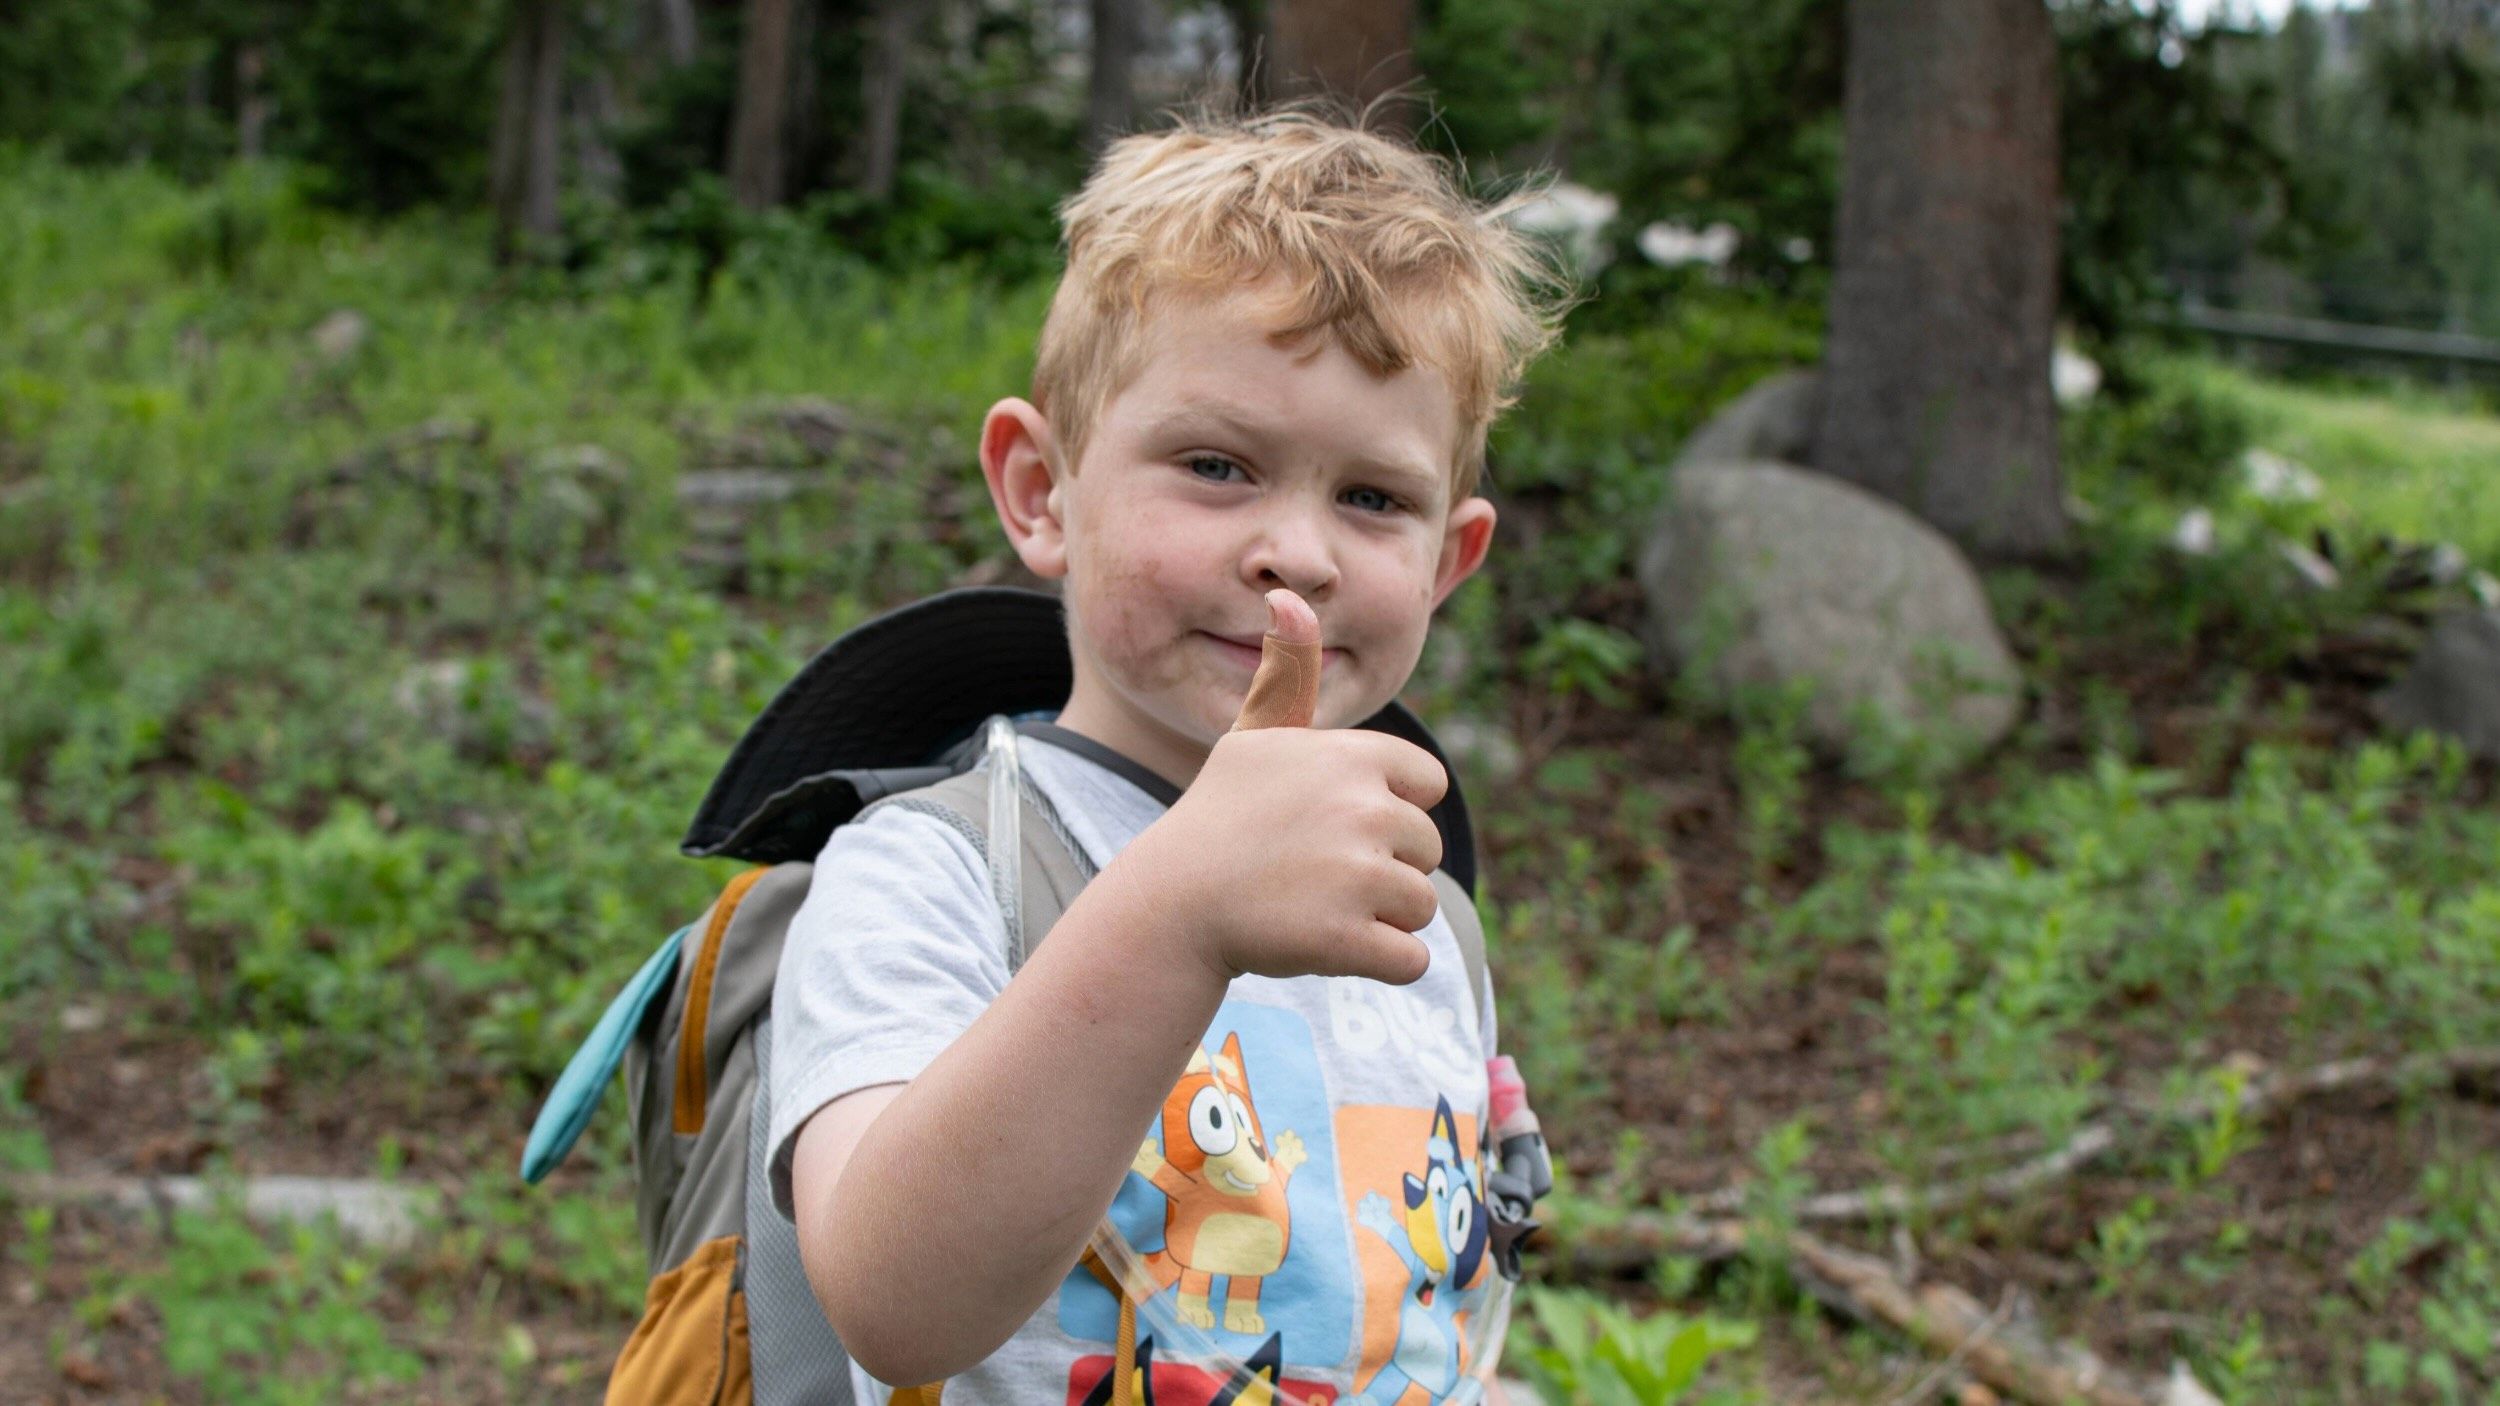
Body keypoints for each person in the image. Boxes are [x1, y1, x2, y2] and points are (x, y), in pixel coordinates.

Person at [765, 109, 1568, 1404]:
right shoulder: (933, 872)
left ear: (1446, 560)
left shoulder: (1425, 917)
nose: (1296, 553)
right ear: (1042, 490)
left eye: (1373, 498)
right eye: (1216, 466)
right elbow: (894, 1308)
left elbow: (1431, 1307)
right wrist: (1178, 910)